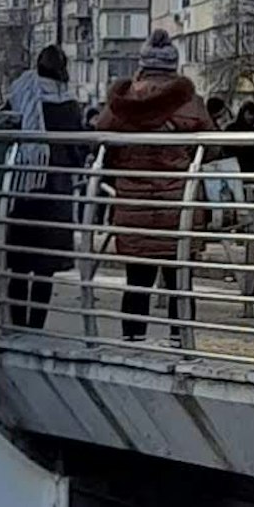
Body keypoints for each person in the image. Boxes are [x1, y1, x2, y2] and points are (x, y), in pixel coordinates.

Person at [96, 33, 210, 350]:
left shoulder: (122, 102)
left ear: (142, 65)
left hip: (134, 208)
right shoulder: (190, 102)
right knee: (179, 283)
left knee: (137, 282)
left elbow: (102, 141)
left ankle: (134, 342)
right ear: (174, 66)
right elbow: (211, 146)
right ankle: (180, 342)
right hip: (179, 208)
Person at [2, 39, 82, 335]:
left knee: (19, 265)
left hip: (23, 191)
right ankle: (35, 328)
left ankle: (17, 326)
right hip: (56, 195)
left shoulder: (21, 97)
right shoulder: (69, 105)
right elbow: (77, 152)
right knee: (45, 270)